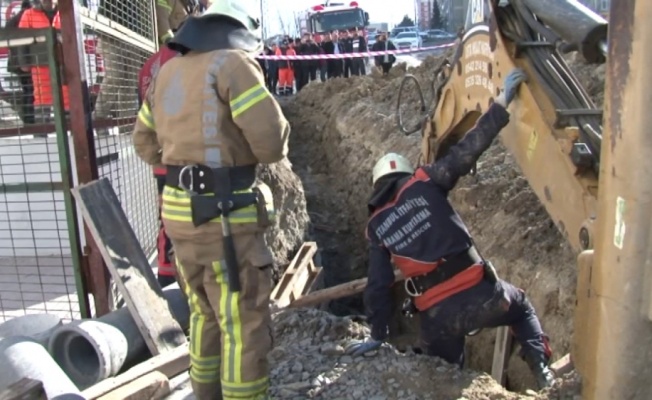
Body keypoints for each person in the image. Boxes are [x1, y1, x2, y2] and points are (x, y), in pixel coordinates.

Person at [345, 68, 555, 390]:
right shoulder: (426, 181)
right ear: (405, 173)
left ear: (376, 188)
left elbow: (378, 285)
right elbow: (468, 149)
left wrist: (377, 336)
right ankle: (543, 373)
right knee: (522, 307)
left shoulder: (377, 227)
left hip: (438, 318)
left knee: (445, 374)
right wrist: (500, 104)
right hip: (484, 295)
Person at [132, 0, 290, 398]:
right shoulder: (235, 65)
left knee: (204, 313)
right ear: (239, 34)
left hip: (179, 216)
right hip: (225, 219)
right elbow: (271, 144)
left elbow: (143, 143)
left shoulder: (167, 72)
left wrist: (183, 161)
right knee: (242, 323)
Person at [137, 18, 189, 288]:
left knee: (166, 218)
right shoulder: (186, 63)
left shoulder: (150, 64)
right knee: (190, 218)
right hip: (185, 157)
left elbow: (143, 115)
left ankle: (166, 274)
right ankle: (183, 276)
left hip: (161, 157)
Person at [18, 0, 69, 125]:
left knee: (67, 96)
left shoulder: (66, 12)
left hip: (65, 62)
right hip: (40, 62)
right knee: (42, 97)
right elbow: (21, 40)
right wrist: (24, 62)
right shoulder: (28, 14)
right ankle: (42, 130)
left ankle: (71, 128)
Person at [7, 0, 35, 126]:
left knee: (26, 90)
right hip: (26, 61)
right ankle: (30, 119)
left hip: (15, 62)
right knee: (31, 90)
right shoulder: (26, 18)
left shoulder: (12, 21)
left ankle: (27, 118)